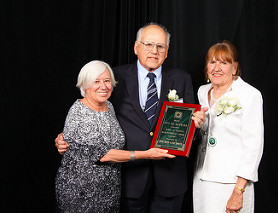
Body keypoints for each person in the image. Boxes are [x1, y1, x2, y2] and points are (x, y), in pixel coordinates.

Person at [55, 23, 207, 213]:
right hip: (130, 179)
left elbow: (189, 127)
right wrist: (68, 137)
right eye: (148, 44)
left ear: (167, 52)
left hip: (170, 178)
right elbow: (92, 109)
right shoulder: (114, 77)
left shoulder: (181, 78)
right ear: (136, 47)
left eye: (160, 46)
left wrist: (195, 126)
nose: (154, 51)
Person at [55, 60, 175, 213]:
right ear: (84, 85)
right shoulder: (79, 113)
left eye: (106, 81)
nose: (103, 86)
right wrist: (147, 154)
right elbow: (104, 154)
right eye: (96, 81)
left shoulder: (108, 106)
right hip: (81, 192)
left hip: (109, 190)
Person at [193, 41, 264, 213]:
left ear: (235, 67)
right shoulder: (203, 91)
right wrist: (196, 125)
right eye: (212, 62)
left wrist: (239, 190)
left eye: (224, 63)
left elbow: (253, 147)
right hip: (201, 178)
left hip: (231, 182)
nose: (216, 68)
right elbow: (205, 133)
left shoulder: (249, 95)